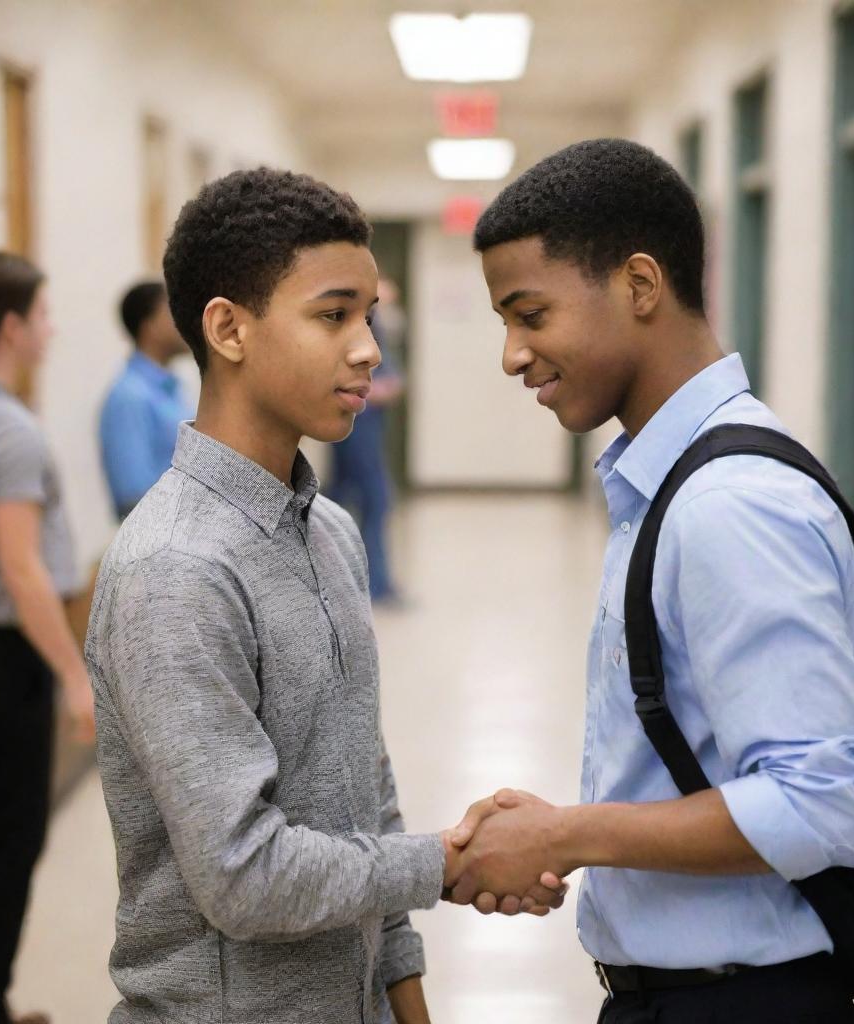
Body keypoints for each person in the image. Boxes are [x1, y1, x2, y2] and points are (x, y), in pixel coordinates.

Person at [84, 168, 562, 1024]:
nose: (369, 348)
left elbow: (365, 799)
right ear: (227, 328)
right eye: (333, 315)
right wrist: (450, 865)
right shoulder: (175, 569)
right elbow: (242, 874)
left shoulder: (329, 532)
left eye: (369, 315)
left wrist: (408, 1004)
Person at [446, 139, 854, 1023]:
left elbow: (824, 804)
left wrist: (569, 834)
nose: (512, 353)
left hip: (741, 1005)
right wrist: (567, 829)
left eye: (530, 314)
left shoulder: (729, 502)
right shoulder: (677, 481)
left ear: (640, 285)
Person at [0, 252, 96, 1024]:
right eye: (45, 315)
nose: (52, 330)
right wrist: (73, 672)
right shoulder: (10, 430)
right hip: (4, 662)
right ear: (12, 326)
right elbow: (23, 570)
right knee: (9, 842)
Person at [324, 306, 404, 603]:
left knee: (343, 501)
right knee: (375, 499)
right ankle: (374, 585)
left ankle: (369, 583)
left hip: (365, 427)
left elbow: (392, 379)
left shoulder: (370, 326)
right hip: (357, 429)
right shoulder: (347, 323)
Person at [99, 280, 194, 519]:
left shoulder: (172, 389)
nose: (186, 321)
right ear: (150, 326)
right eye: (173, 312)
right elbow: (134, 498)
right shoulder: (129, 396)